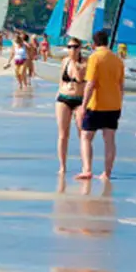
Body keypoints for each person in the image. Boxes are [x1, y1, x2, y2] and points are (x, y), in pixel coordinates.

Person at [76, 30, 124, 181]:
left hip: (96, 105)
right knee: (109, 139)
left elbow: (90, 83)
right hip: (114, 105)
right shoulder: (117, 60)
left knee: (86, 136)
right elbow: (121, 85)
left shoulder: (95, 58)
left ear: (94, 43)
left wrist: (83, 105)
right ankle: (107, 173)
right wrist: (119, 103)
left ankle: (87, 170)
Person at [54, 37, 86, 174]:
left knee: (82, 134)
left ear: (80, 48)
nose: (72, 49)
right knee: (63, 134)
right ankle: (62, 166)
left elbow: (79, 78)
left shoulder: (85, 63)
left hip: (79, 99)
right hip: (64, 98)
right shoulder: (65, 61)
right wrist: (57, 94)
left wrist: (75, 62)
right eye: (69, 47)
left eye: (75, 47)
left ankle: (85, 166)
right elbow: (61, 80)